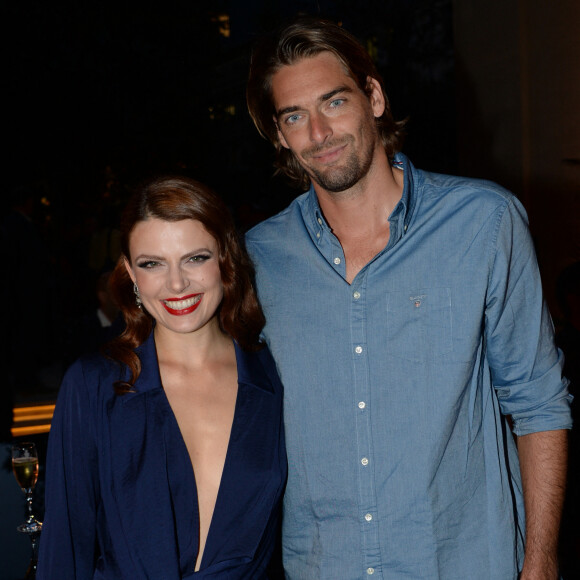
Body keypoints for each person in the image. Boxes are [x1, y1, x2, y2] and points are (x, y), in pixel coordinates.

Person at [245, 17, 572, 580]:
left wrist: (540, 561)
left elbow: (538, 400)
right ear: (279, 135)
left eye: (334, 102)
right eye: (294, 116)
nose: (319, 132)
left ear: (373, 96)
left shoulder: (483, 221)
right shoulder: (261, 257)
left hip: (468, 563)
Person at [37, 177, 287, 579]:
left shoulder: (273, 377)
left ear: (225, 257)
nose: (176, 284)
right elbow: (66, 549)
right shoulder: (94, 386)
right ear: (131, 274)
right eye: (152, 263)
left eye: (195, 258)